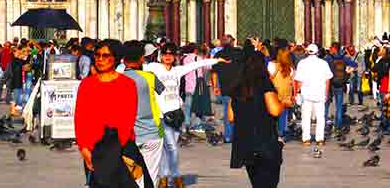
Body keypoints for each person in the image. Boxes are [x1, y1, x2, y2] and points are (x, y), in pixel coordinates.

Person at [146, 41, 221, 185]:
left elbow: (196, 65)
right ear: (161, 56)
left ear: (175, 56)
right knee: (171, 148)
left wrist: (217, 60)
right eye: (165, 53)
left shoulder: (177, 71)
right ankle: (171, 177)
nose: (168, 56)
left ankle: (165, 178)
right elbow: (134, 66)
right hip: (162, 117)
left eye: (171, 54)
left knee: (170, 147)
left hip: (176, 115)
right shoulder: (154, 68)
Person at [74, 39, 142, 188]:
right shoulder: (87, 85)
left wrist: (113, 152)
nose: (100, 59)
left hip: (120, 148)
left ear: (115, 58)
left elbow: (128, 120)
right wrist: (84, 148)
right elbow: (80, 118)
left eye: (105, 56)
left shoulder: (127, 84)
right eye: (97, 55)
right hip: (93, 149)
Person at [229, 46, 284, 188]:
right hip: (265, 141)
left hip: (245, 143)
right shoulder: (265, 83)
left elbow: (231, 116)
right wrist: (283, 102)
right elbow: (275, 110)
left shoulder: (237, 87)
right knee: (269, 183)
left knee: (257, 183)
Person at [120, 40, 165, 182]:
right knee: (151, 175)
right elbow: (161, 89)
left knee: (132, 175)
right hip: (153, 132)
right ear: (142, 58)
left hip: (127, 135)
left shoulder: (117, 78)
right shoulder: (149, 77)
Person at [291, 43, 332, 155]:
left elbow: (299, 80)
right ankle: (320, 139)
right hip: (319, 93)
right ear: (317, 52)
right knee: (320, 117)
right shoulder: (323, 63)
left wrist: (297, 93)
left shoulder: (302, 63)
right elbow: (328, 80)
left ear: (307, 51)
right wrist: (326, 93)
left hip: (306, 94)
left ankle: (306, 139)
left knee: (306, 117)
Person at [267, 44, 295, 140]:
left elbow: (268, 79)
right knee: (283, 114)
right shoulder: (289, 68)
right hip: (285, 93)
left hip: (276, 92)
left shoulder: (272, 65)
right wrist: (293, 94)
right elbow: (292, 81)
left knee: (275, 113)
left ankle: (278, 133)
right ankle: (281, 133)